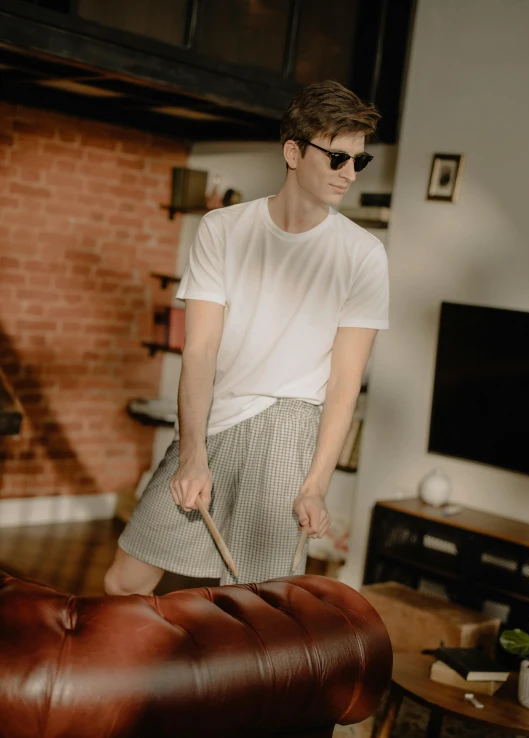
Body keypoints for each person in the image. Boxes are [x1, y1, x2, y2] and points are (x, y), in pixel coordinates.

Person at [104, 79, 389, 595]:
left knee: (255, 608)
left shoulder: (363, 255)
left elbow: (345, 381)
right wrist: (191, 455)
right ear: (293, 152)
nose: (349, 174)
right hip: (213, 423)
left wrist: (316, 485)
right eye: (338, 159)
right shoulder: (223, 229)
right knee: (124, 582)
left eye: (358, 162)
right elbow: (201, 350)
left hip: (289, 431)